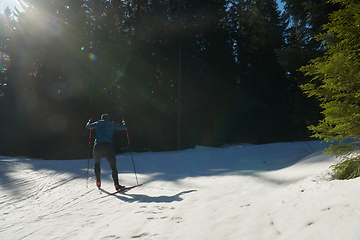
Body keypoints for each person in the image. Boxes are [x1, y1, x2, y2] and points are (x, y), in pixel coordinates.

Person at [86, 114, 127, 191]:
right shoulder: (112, 123)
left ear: (101, 119)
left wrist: (89, 121)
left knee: (97, 164)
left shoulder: (98, 123)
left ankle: (98, 182)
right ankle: (116, 185)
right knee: (113, 167)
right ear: (108, 119)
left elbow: (88, 126)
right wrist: (124, 122)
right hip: (108, 146)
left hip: (97, 146)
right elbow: (124, 127)